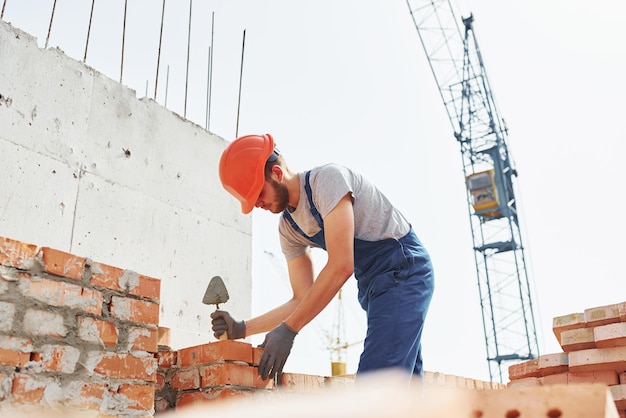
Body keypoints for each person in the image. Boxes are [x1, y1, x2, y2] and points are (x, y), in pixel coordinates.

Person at [212, 133, 435, 383]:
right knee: (405, 389)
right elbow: (301, 298)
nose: (257, 204)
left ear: (276, 172)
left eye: (258, 193)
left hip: (403, 269)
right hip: (374, 287)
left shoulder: (327, 181)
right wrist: (242, 328)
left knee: (377, 384)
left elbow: (341, 266)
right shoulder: (289, 229)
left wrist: (289, 329)